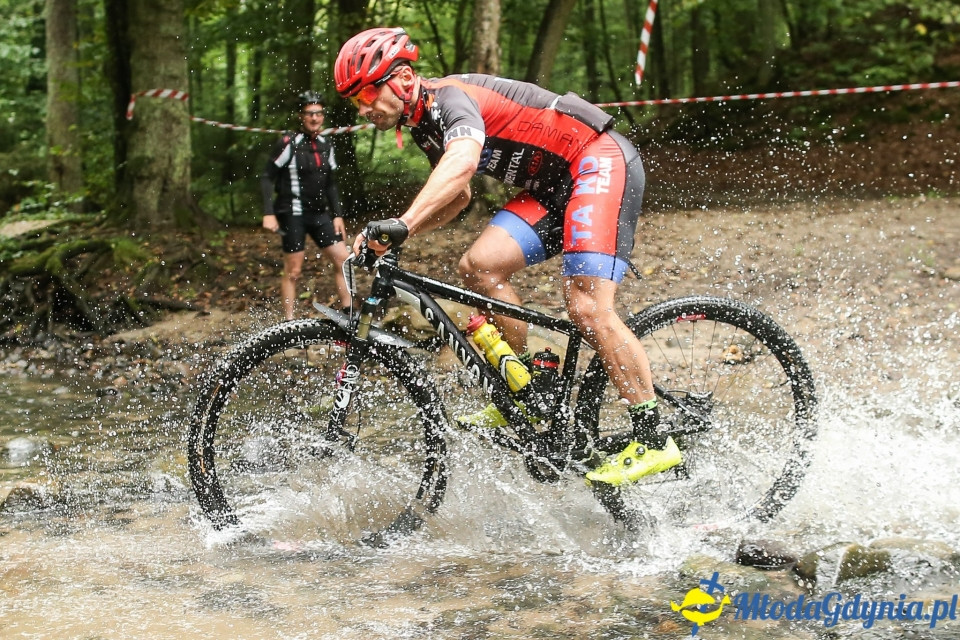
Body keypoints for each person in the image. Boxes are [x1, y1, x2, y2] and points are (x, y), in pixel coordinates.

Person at [334, 28, 681, 488]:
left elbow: (462, 160)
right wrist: (398, 235)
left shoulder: (449, 100)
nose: (361, 108)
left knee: (587, 307)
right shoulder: (423, 125)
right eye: (355, 100)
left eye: (366, 93)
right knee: (478, 267)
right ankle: (522, 390)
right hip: (554, 186)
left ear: (401, 78)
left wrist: (403, 220)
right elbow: (457, 197)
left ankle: (654, 438)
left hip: (598, 160)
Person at [261, 90, 352, 320]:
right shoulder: (288, 143)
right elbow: (265, 177)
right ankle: (289, 322)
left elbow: (331, 183)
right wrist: (268, 213)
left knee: (343, 260)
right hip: (293, 214)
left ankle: (350, 313)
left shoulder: (326, 145)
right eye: (310, 113)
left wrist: (337, 215)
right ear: (301, 116)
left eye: (319, 113)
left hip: (320, 214)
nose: (314, 118)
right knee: (293, 270)